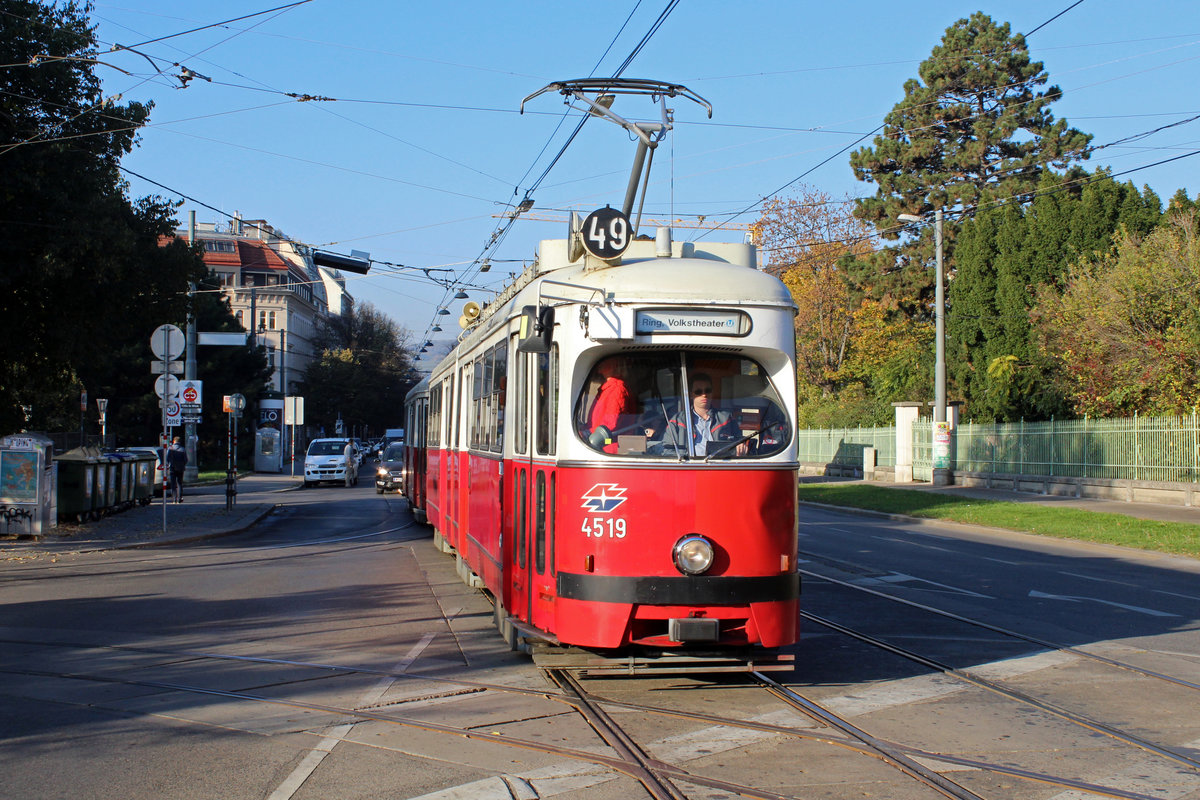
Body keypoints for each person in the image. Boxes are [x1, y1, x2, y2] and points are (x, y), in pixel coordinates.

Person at [659, 373, 749, 457]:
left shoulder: (727, 418)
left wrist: (740, 446)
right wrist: (687, 458)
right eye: (698, 392)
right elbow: (667, 451)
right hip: (689, 469)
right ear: (690, 394)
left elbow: (740, 442)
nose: (704, 395)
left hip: (720, 467)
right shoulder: (676, 421)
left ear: (712, 392)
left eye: (707, 391)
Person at [586, 357, 635, 453]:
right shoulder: (608, 388)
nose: (601, 362)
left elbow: (610, 424)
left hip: (607, 448)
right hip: (601, 445)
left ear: (615, 364)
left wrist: (588, 433)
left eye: (605, 359)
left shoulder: (617, 389)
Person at [164, 435, 188, 502]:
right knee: (179, 483)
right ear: (179, 442)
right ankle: (180, 498)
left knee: (173, 484)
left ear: (174, 441)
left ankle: (174, 498)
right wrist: (182, 465)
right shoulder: (183, 449)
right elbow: (186, 460)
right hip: (180, 468)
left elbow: (167, 458)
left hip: (172, 468)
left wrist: (169, 465)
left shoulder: (170, 448)